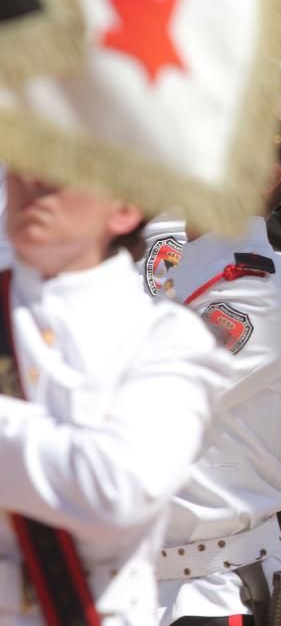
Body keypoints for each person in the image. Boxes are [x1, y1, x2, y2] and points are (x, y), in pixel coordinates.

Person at [0, 171, 226, 623]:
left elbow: (116, 490)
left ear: (123, 210)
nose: (30, 183)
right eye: (21, 166)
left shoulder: (167, 336)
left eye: (55, 172)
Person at [155, 100, 281, 625]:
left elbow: (150, 405)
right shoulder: (178, 265)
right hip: (149, 587)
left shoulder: (255, 293)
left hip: (213, 593)